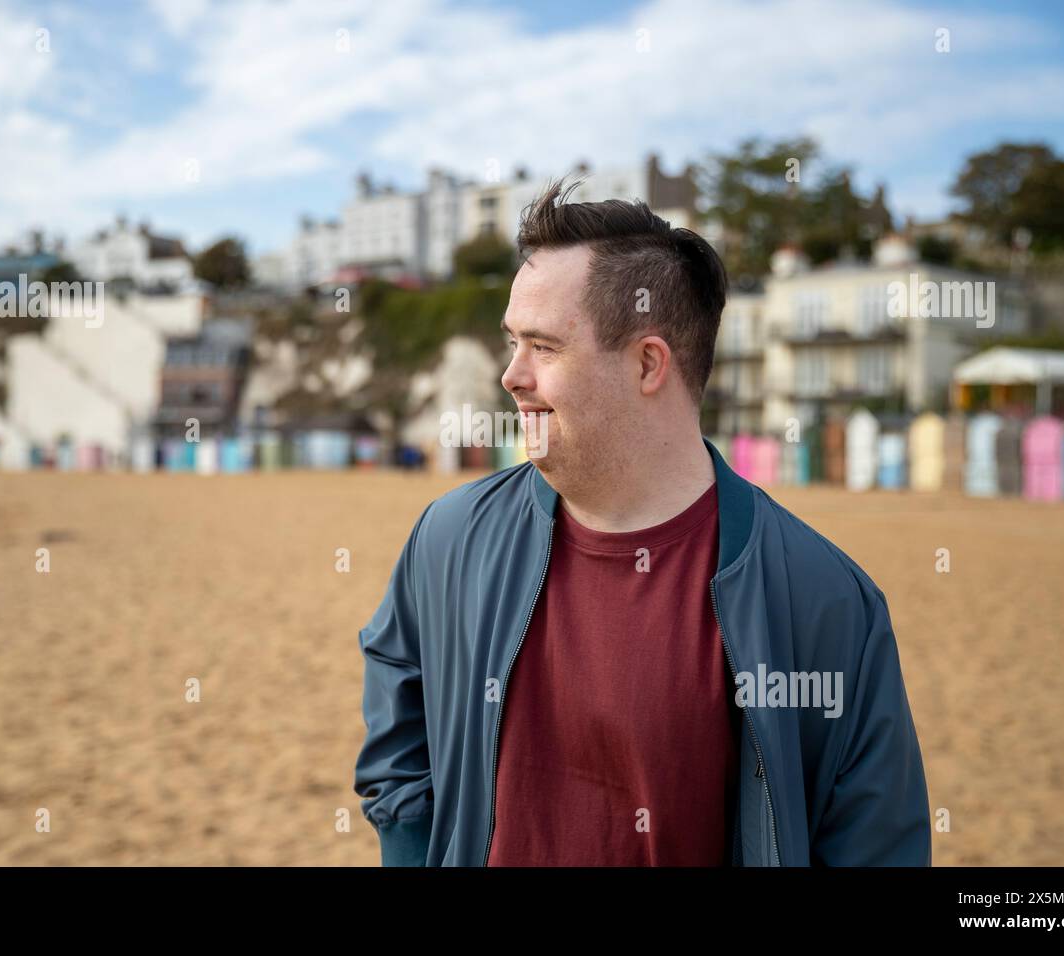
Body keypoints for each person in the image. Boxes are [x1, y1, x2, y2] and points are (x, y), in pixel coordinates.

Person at [353, 178, 930, 866]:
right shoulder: (449, 539)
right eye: (512, 343)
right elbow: (398, 717)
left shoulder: (826, 602)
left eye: (543, 346)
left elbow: (876, 845)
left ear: (648, 363)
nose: (511, 375)